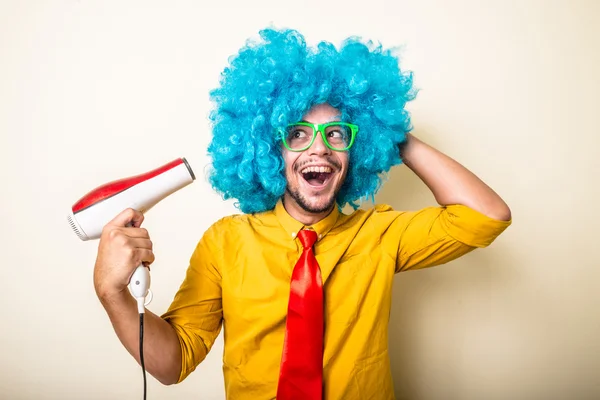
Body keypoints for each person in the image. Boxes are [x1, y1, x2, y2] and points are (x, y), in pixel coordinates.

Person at [93, 28, 512, 399]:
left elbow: (487, 214)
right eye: (297, 134)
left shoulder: (381, 233)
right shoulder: (226, 242)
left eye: (336, 133)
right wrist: (114, 294)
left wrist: (389, 132)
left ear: (356, 149)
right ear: (268, 149)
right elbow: (172, 364)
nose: (319, 148)